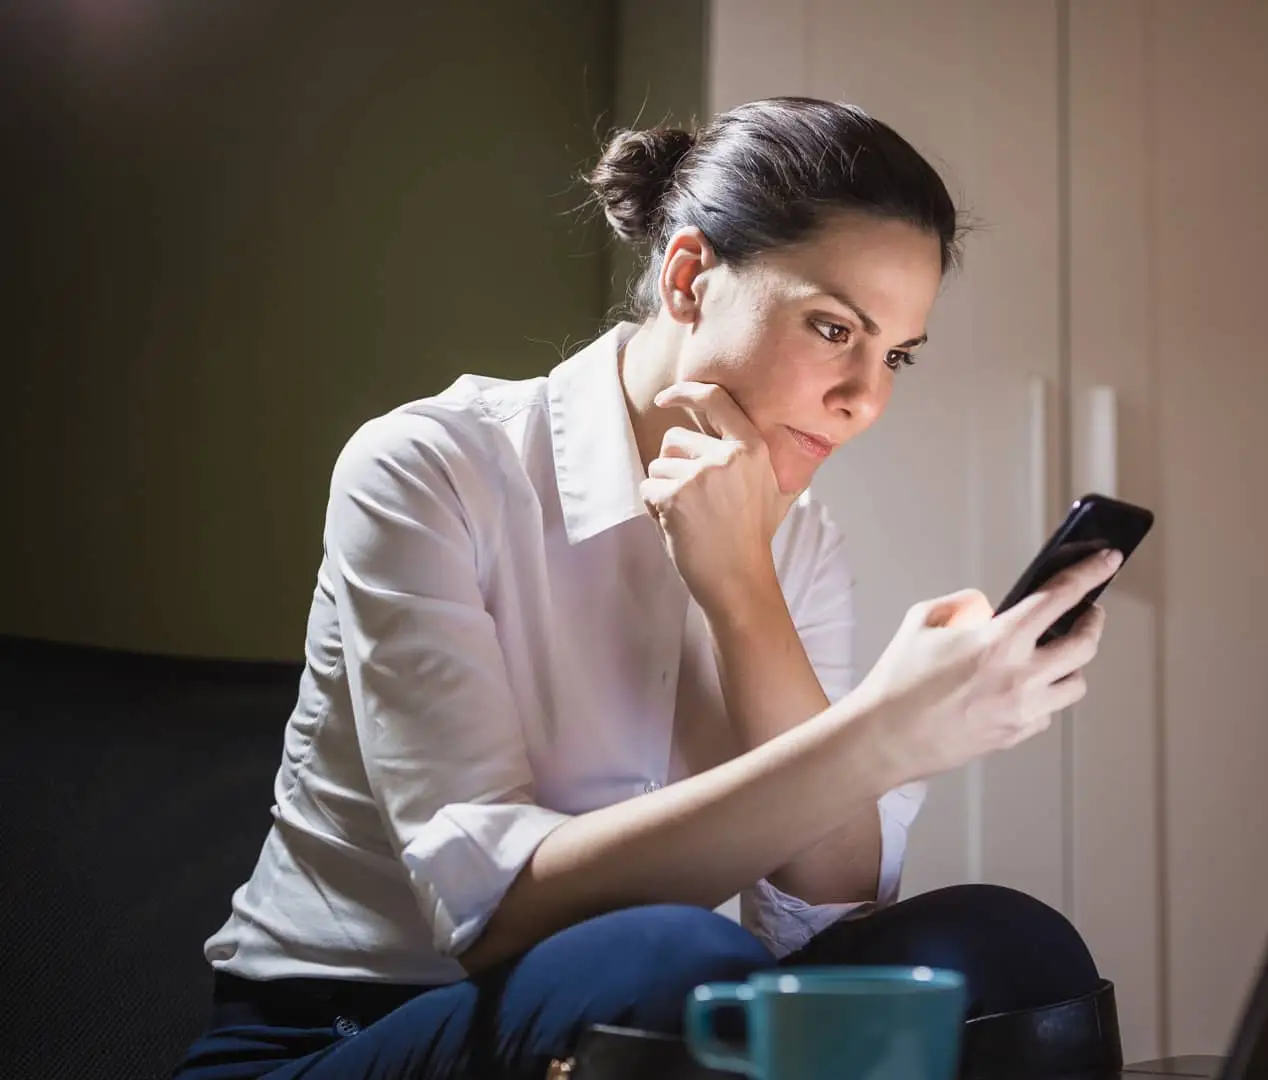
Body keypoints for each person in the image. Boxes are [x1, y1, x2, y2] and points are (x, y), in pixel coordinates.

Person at [170, 97, 1118, 1079]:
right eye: (834, 327)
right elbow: (497, 918)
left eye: (895, 356)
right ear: (689, 277)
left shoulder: (803, 544)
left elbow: (824, 910)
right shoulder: (431, 469)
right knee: (683, 963)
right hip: (340, 1035)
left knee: (1009, 951)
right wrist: (883, 733)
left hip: (640, 1020)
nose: (864, 400)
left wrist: (743, 590)